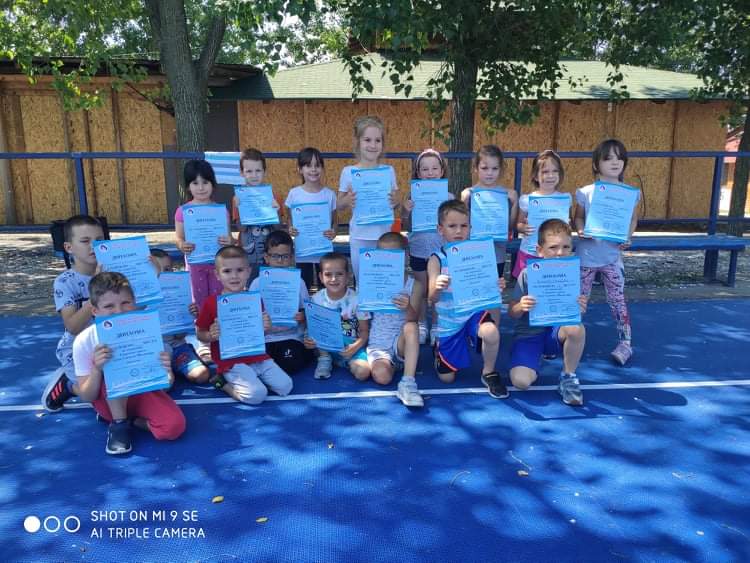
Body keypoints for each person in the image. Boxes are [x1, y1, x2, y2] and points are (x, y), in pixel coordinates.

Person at [72, 272, 186, 455]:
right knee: (111, 364)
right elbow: (87, 396)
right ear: (95, 311)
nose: (119, 311)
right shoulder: (84, 340)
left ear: (134, 303)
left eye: (125, 303)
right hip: (109, 401)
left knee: (174, 427)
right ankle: (118, 425)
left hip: (143, 393)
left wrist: (167, 371)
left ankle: (132, 421)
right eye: (109, 306)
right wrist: (97, 369)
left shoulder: (147, 332)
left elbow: (165, 385)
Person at [427, 200, 506, 398]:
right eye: (452, 226)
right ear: (440, 229)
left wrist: (497, 285)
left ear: (470, 228)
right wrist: (437, 287)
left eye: (464, 225)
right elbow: (431, 298)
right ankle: (439, 349)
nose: (458, 231)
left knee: (491, 332)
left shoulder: (480, 254)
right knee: (447, 378)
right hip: (449, 321)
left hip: (473, 314)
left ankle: (488, 372)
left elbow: (489, 289)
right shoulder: (436, 260)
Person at [195, 246, 293, 404]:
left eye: (239, 270)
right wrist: (211, 335)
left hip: (257, 356)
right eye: (227, 271)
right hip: (231, 360)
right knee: (256, 396)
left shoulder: (255, 300)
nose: (234, 276)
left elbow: (260, 333)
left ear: (248, 272)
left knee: (286, 386)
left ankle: (252, 377)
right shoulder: (211, 303)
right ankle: (223, 383)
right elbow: (200, 334)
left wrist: (266, 327)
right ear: (217, 274)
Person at [573, 139, 640, 365]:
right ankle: (565, 337)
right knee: (578, 299)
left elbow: (633, 219)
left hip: (612, 258)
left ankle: (625, 343)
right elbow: (578, 217)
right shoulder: (585, 192)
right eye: (608, 158)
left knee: (618, 300)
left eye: (619, 157)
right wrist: (580, 229)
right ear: (596, 164)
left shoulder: (630, 194)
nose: (615, 162)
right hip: (586, 257)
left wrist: (627, 236)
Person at [508, 219, 588, 406]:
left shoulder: (572, 274)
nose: (560, 253)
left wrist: (580, 309)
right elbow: (512, 313)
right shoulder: (527, 274)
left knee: (577, 329)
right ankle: (529, 360)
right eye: (553, 247)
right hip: (529, 335)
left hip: (555, 333)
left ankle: (568, 376)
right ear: (540, 250)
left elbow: (573, 316)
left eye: (566, 247)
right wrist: (521, 306)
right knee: (521, 382)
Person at [43, 215, 105, 412]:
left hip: (108, 343)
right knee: (96, 394)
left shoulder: (113, 274)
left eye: (99, 240)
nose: (93, 246)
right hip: (77, 348)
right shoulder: (65, 282)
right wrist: (96, 290)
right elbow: (72, 326)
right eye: (85, 241)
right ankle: (68, 386)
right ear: (69, 247)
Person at [460, 145, 518, 324]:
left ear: (501, 169)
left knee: (494, 293)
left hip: (496, 254)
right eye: (485, 168)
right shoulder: (469, 193)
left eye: (494, 168)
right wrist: (463, 202)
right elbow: (462, 227)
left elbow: (510, 227)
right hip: (473, 253)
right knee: (472, 292)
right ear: (476, 168)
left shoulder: (506, 194)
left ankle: (494, 329)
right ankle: (471, 328)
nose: (490, 173)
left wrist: (514, 204)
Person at [337, 116, 399, 282]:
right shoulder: (348, 172)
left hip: (384, 236)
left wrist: (395, 201)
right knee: (363, 281)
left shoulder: (388, 171)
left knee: (385, 279)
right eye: (367, 140)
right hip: (360, 236)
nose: (373, 145)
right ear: (358, 142)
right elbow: (339, 204)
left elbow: (396, 200)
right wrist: (347, 200)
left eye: (378, 140)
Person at [365, 232, 424, 407]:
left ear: (405, 256)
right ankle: (395, 365)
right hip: (379, 341)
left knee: (411, 326)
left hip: (402, 342)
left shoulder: (415, 285)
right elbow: (363, 316)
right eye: (382, 255)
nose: (387, 259)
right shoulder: (370, 280)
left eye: (393, 255)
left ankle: (408, 382)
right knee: (382, 378)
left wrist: (407, 307)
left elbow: (414, 318)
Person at [401, 148, 453, 344]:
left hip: (440, 252)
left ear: (442, 171)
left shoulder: (449, 197)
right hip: (418, 249)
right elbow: (406, 225)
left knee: (439, 290)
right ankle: (422, 323)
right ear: (418, 173)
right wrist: (405, 212)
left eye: (434, 168)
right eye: (425, 169)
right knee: (422, 290)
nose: (430, 173)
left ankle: (437, 324)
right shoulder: (411, 196)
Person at [248, 230, 315, 374]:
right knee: (256, 361)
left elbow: (307, 311)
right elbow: (250, 316)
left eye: (285, 256)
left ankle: (269, 371)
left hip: (291, 337)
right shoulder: (257, 283)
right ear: (266, 257)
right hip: (265, 339)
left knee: (290, 363)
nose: (280, 261)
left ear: (291, 258)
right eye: (275, 256)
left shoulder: (299, 282)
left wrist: (303, 317)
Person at [174, 159, 233, 310]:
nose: (201, 188)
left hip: (218, 265)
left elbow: (230, 238)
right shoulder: (182, 211)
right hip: (195, 266)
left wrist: (229, 241)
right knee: (198, 302)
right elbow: (178, 237)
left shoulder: (221, 211)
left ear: (213, 184)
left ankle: (218, 324)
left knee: (219, 301)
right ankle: (201, 325)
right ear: (188, 186)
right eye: (195, 183)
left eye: (205, 182)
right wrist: (182, 244)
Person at [304, 252, 371, 381]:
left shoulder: (357, 299)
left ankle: (344, 362)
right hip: (325, 347)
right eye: (328, 274)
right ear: (321, 277)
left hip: (350, 346)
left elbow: (364, 331)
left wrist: (355, 347)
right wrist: (308, 340)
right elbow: (312, 327)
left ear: (348, 276)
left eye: (339, 274)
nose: (334, 279)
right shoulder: (316, 299)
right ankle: (325, 359)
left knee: (363, 373)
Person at [149, 249, 211, 384]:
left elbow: (180, 335)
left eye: (167, 269)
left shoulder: (179, 293)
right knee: (165, 384)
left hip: (178, 348)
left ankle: (178, 364)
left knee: (201, 375)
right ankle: (169, 370)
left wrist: (191, 315)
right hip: (156, 352)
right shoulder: (142, 299)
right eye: (157, 270)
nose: (163, 274)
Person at [513, 150, 572, 278]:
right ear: (535, 176)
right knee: (526, 285)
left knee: (550, 285)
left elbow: (569, 224)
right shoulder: (527, 200)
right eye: (545, 172)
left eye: (555, 171)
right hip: (530, 252)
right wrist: (522, 228)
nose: (550, 175)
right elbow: (518, 223)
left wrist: (568, 224)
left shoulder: (565, 199)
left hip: (556, 254)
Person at [285, 147, 337, 288]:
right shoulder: (294, 194)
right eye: (308, 165)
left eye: (317, 165)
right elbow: (289, 219)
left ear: (322, 168)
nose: (313, 169)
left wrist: (333, 231)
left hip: (323, 252)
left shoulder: (329, 194)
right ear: (300, 169)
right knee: (303, 286)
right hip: (303, 252)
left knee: (325, 288)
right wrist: (290, 229)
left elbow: (334, 222)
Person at [232, 147, 285, 281]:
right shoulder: (238, 198)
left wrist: (276, 211)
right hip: (249, 256)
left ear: (264, 171)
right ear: (242, 173)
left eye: (258, 170)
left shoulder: (274, 196)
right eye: (249, 171)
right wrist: (240, 208)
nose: (254, 175)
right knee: (252, 286)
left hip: (272, 256)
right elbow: (241, 228)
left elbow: (279, 228)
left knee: (272, 286)